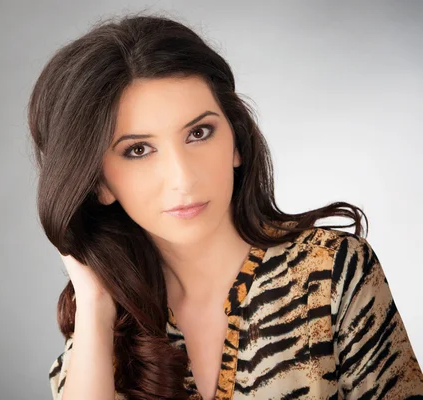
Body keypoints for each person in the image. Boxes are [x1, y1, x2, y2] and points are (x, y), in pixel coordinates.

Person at [26, 11, 423, 400]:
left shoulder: (328, 273)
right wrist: (94, 304)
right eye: (139, 150)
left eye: (199, 133)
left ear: (235, 141)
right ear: (99, 183)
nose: (183, 177)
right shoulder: (105, 328)